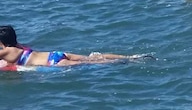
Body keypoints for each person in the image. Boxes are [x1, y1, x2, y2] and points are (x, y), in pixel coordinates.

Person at [0, 26, 135, 68]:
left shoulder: (7, 51)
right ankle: (131, 58)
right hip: (55, 54)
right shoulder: (21, 47)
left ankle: (120, 62)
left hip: (52, 63)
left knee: (96, 63)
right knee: (93, 58)